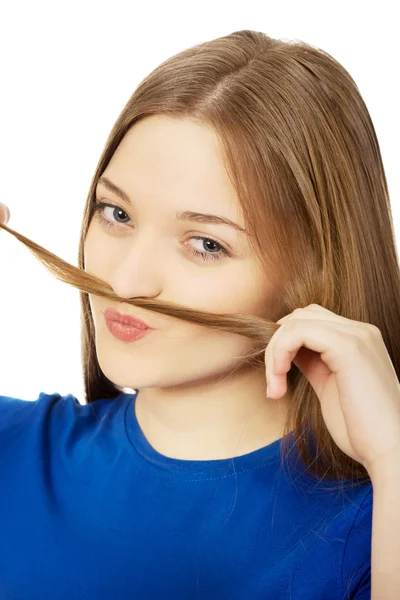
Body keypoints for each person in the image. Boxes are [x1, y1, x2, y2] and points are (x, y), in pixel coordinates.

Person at [4, 28, 396, 598]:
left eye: (206, 244)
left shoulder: (375, 523)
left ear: (312, 274)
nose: (128, 282)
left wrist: (394, 456)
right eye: (116, 213)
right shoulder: (11, 448)